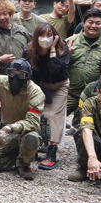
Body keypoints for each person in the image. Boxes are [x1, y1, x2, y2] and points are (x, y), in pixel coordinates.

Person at [0, 58, 46, 180]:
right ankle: (14, 158)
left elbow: (32, 122)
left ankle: (24, 164)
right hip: (5, 132)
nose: (15, 78)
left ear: (28, 77)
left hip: (26, 131)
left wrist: (10, 128)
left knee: (31, 138)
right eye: (12, 73)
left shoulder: (35, 92)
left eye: (21, 75)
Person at [24, 23, 70, 170]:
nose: (45, 38)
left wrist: (52, 49)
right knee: (34, 114)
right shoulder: (29, 50)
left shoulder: (62, 48)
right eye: (42, 35)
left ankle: (51, 154)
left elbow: (54, 69)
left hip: (59, 86)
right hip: (38, 86)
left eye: (49, 35)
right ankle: (31, 147)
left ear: (55, 36)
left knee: (53, 115)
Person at [66, 9, 101, 123]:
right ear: (83, 23)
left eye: (98, 23)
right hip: (70, 93)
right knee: (53, 118)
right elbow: (57, 67)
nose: (93, 26)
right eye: (90, 22)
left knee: (89, 124)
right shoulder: (70, 42)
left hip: (94, 95)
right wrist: (65, 55)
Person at [0, 0, 31, 74]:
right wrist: (0, 59)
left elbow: (31, 51)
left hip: (21, 74)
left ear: (11, 15)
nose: (2, 17)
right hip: (1, 76)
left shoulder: (22, 31)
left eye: (5, 14)